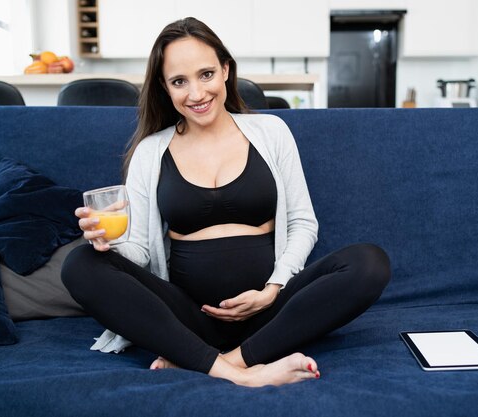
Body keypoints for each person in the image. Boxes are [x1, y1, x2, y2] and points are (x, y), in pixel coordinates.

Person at [61, 17, 391, 388]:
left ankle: (227, 362)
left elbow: (303, 223)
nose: (197, 93)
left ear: (225, 71)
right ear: (164, 87)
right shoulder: (150, 152)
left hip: (271, 313)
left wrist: (273, 289)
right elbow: (138, 249)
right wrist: (109, 246)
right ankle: (245, 376)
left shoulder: (271, 132)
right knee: (80, 263)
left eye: (206, 74)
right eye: (179, 81)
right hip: (187, 317)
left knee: (369, 263)